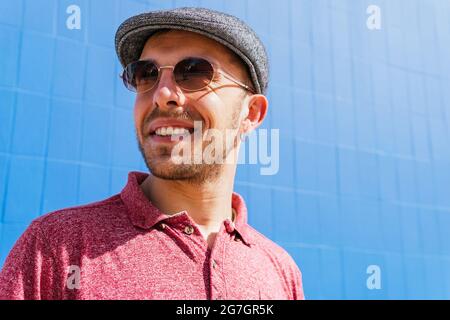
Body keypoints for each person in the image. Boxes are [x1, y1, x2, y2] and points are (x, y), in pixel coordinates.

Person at [0, 7, 304, 300]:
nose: (161, 95)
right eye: (146, 74)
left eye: (194, 72)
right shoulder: (55, 248)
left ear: (251, 113)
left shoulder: (280, 269)